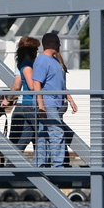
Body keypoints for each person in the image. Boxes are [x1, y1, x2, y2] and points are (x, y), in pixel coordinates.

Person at [32, 33, 69, 168]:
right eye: (56, 42)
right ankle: (57, 167)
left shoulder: (54, 60)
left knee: (44, 135)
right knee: (56, 133)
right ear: (49, 44)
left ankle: (39, 165)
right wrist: (41, 106)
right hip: (48, 103)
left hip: (55, 103)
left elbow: (60, 83)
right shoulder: (42, 61)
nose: (59, 45)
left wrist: (70, 99)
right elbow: (37, 84)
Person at [5, 36, 40, 153]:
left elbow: (16, 85)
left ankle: (10, 168)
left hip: (21, 105)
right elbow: (26, 85)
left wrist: (8, 99)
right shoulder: (30, 64)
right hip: (31, 104)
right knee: (40, 140)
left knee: (16, 144)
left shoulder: (19, 63)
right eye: (36, 48)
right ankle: (43, 168)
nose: (37, 51)